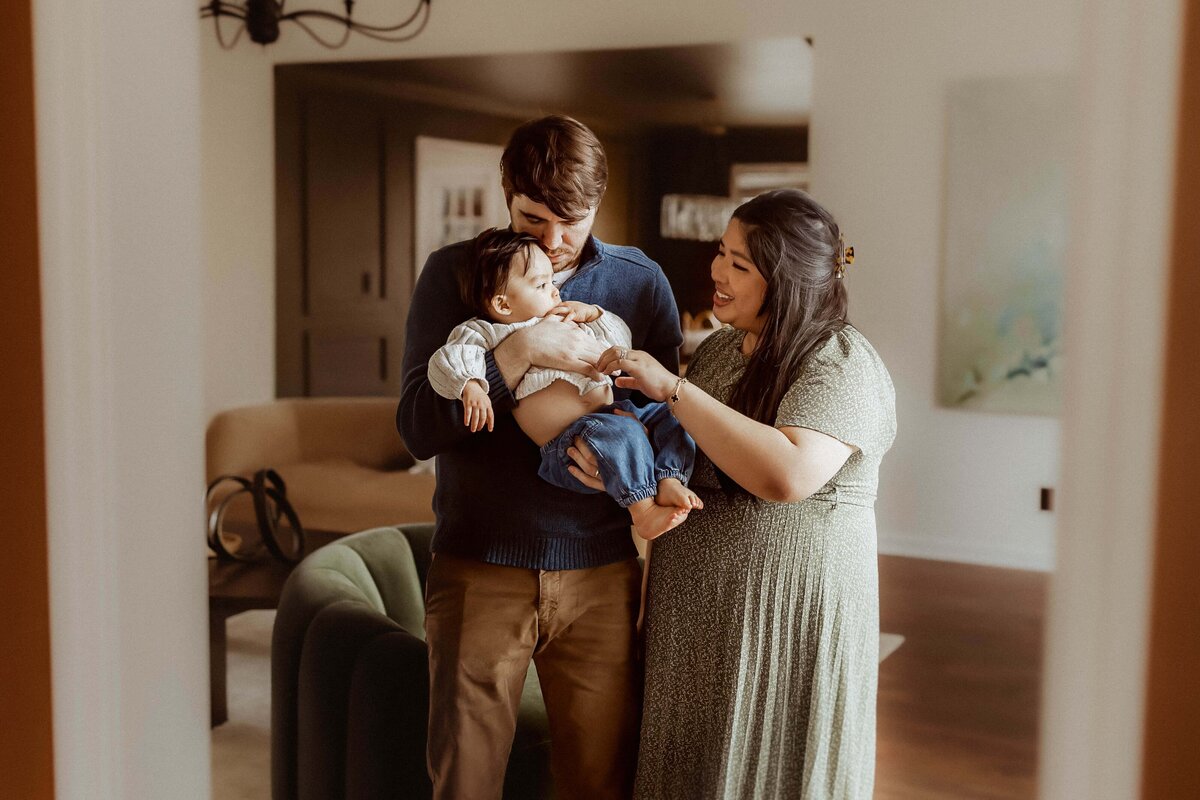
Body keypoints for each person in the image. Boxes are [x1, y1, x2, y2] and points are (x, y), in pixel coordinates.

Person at [571, 188, 897, 799]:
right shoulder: (722, 351)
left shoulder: (841, 362)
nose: (717, 272)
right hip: (695, 628)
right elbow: (694, 457)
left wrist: (672, 388)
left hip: (782, 631)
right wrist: (624, 478)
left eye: (740, 264)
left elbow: (788, 475)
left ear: (789, 279)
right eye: (721, 253)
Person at [396, 114, 683, 800]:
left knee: (599, 781)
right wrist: (516, 354)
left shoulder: (639, 283)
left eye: (572, 222)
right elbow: (415, 427)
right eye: (533, 220)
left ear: (598, 207)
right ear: (507, 195)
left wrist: (630, 450)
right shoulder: (455, 275)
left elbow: (671, 408)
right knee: (464, 782)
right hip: (479, 568)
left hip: (602, 574)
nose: (553, 244)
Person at [427, 226, 701, 538]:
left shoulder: (566, 316)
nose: (556, 291)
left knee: (674, 416)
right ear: (503, 305)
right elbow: (447, 360)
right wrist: (472, 384)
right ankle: (644, 511)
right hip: (569, 443)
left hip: (613, 414)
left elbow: (621, 342)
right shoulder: (489, 332)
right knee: (622, 435)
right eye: (542, 285)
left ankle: (669, 478)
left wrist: (595, 315)